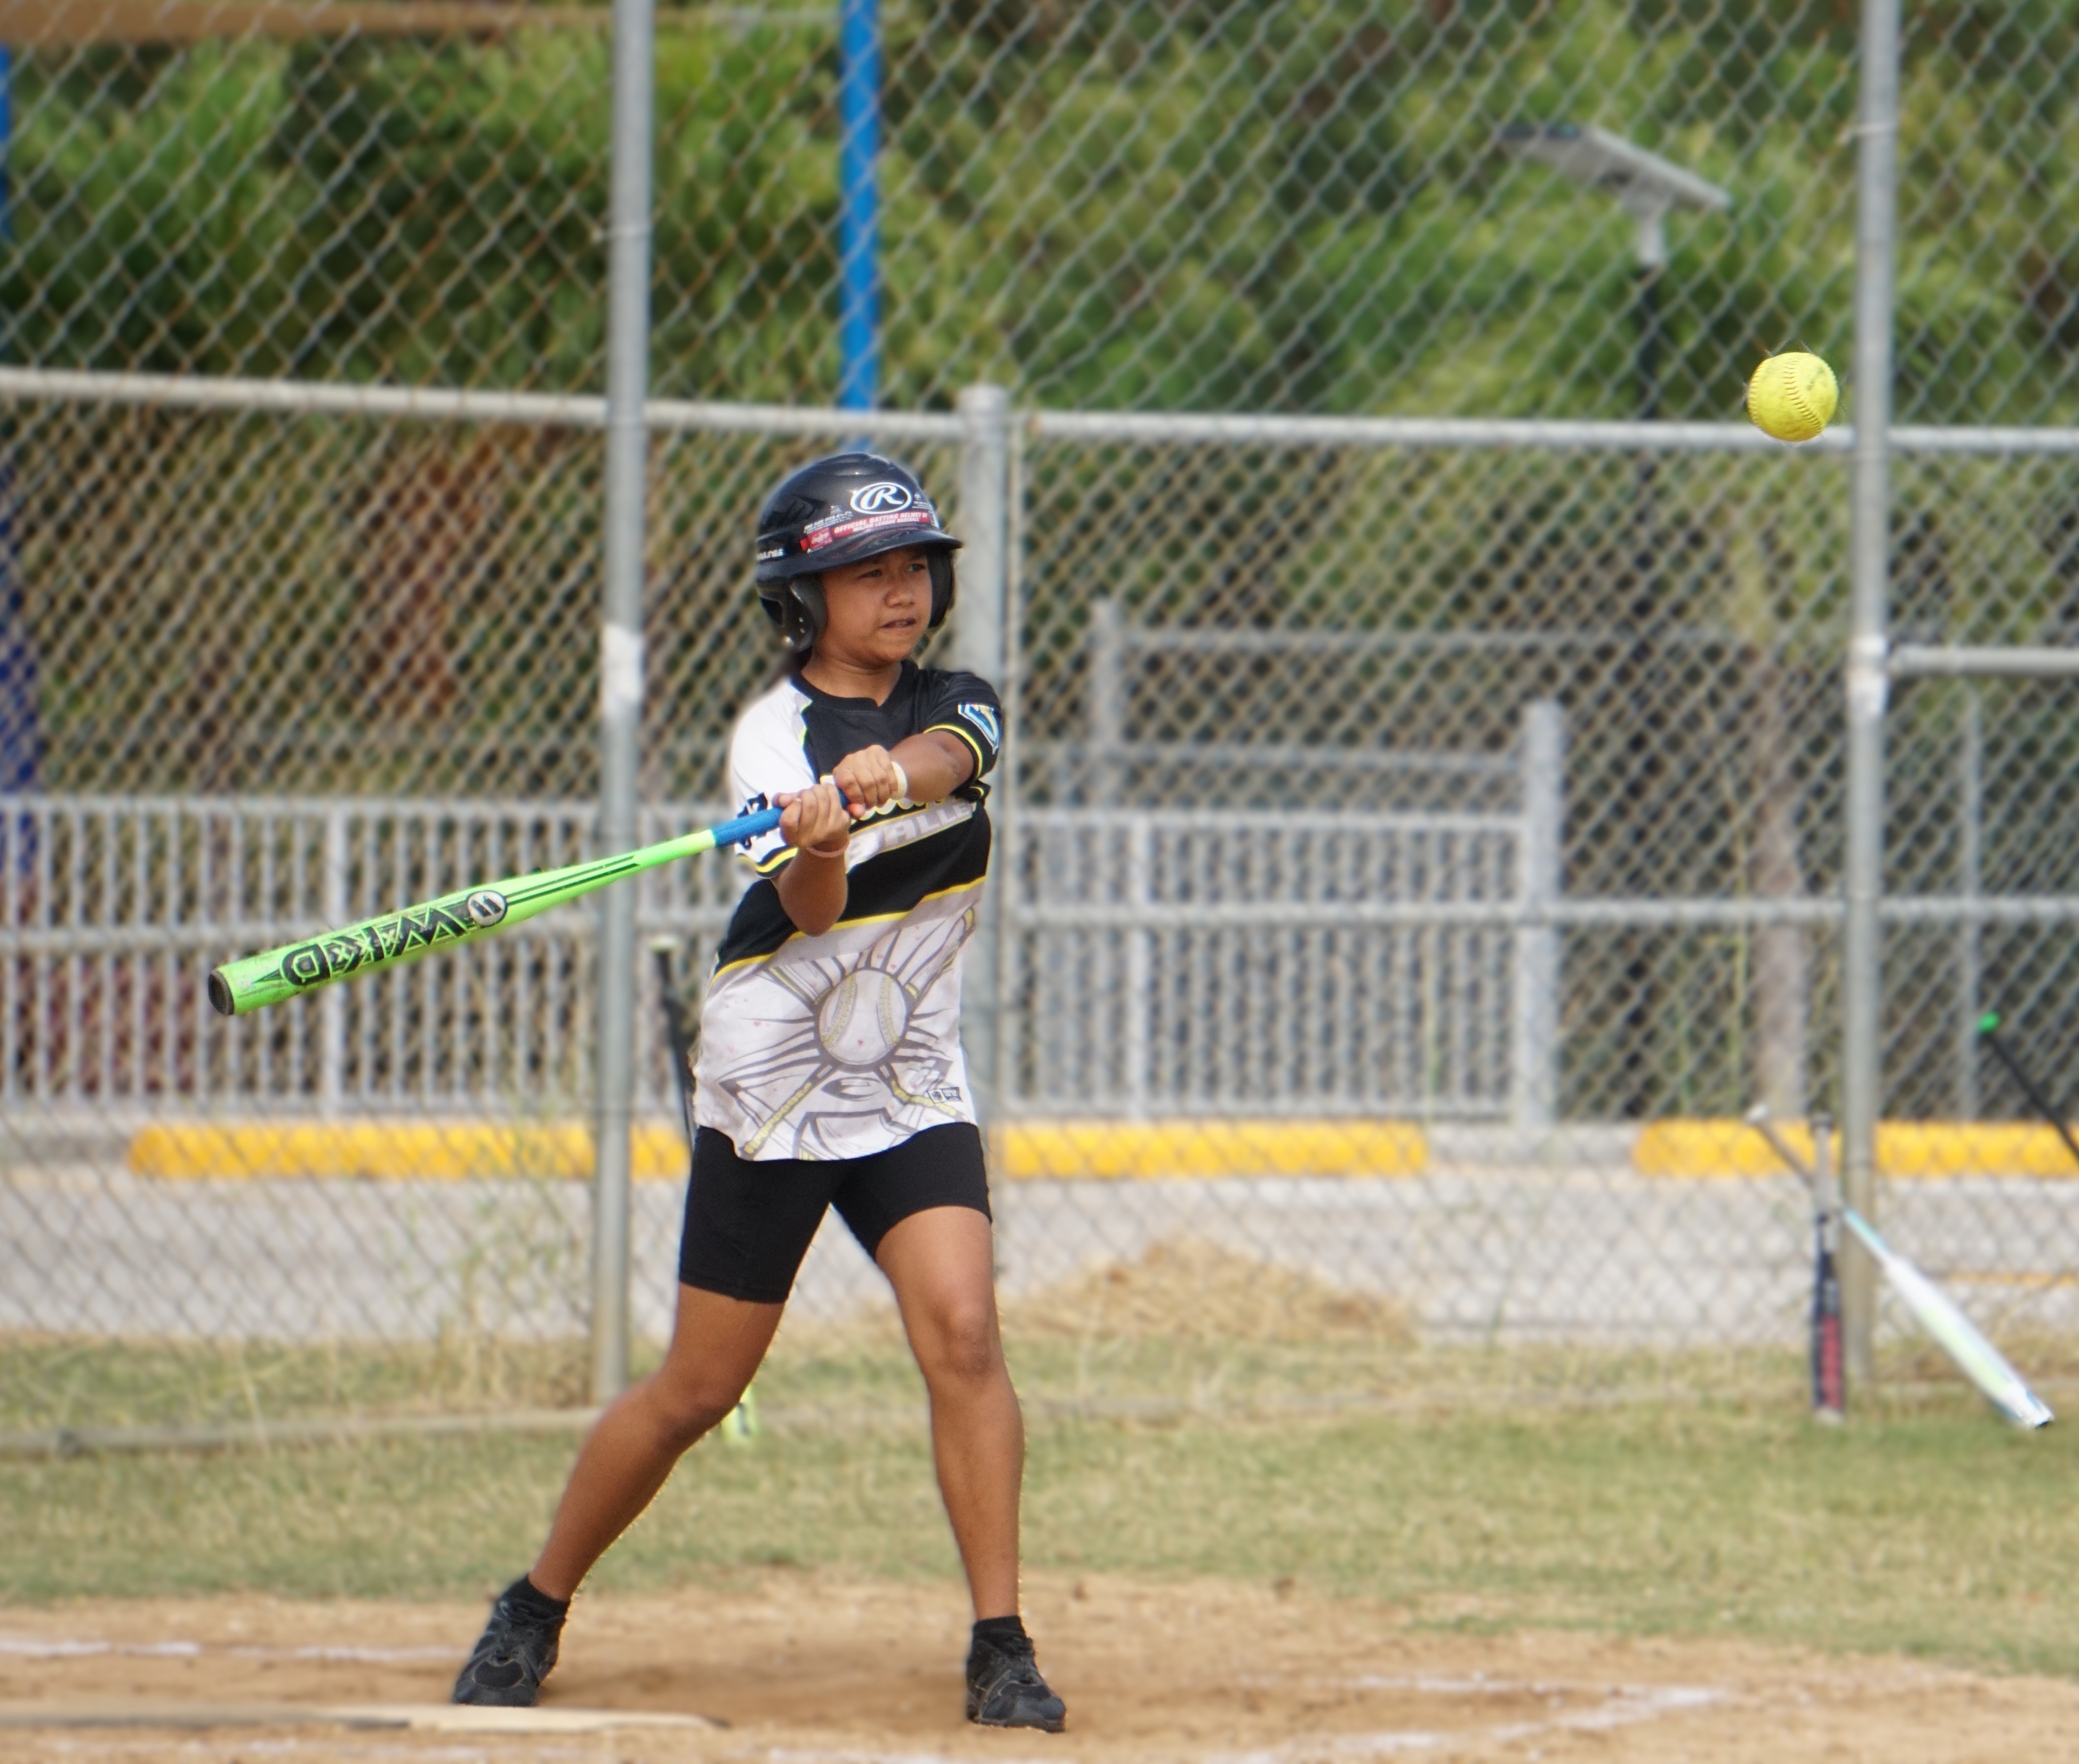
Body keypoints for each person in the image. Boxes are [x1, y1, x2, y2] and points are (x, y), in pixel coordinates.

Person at [452, 453, 1064, 1733]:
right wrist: (816, 840)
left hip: (904, 1076)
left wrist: (877, 784)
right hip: (778, 1077)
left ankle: (1000, 1642)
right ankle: (535, 1600)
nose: (899, 592)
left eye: (912, 568)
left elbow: (957, 755)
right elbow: (812, 907)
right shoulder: (768, 738)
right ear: (805, 595)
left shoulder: (959, 700)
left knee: (962, 1330)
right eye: (866, 573)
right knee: (697, 1390)